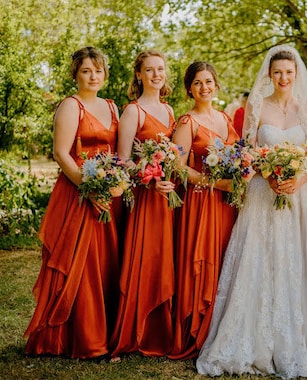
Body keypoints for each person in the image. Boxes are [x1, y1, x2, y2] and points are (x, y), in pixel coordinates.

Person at [196, 45, 307, 379]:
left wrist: (299, 178)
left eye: (289, 73)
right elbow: (249, 152)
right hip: (264, 191)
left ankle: (304, 337)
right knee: (260, 258)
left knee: (299, 259)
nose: (283, 78)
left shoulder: (306, 107)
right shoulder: (257, 107)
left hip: (301, 194)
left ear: (296, 76)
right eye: (277, 72)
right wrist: (267, 174)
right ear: (269, 74)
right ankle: (255, 339)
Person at [24, 47, 121, 358]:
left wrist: (113, 185)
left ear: (105, 74)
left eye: (98, 70)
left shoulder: (112, 106)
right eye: (86, 71)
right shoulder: (70, 106)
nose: (93, 76)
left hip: (107, 194)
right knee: (83, 264)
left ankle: (106, 331)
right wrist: (89, 188)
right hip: (78, 193)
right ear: (76, 75)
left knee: (105, 263)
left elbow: (117, 154)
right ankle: (85, 340)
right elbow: (61, 154)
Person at [169, 61, 239, 359]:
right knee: (205, 261)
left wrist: (237, 177)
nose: (204, 87)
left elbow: (239, 153)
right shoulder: (187, 123)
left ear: (216, 84)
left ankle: (223, 327)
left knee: (227, 258)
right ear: (189, 89)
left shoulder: (225, 118)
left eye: (208, 81)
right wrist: (215, 183)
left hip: (227, 203)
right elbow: (178, 167)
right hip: (202, 201)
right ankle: (197, 329)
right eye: (198, 83)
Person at [111, 50, 176, 359]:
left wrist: (170, 177)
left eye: (160, 69)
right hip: (144, 198)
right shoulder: (132, 112)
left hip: (168, 198)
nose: (155, 75)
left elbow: (176, 156)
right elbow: (122, 161)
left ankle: (162, 330)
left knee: (165, 260)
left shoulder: (171, 110)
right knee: (145, 259)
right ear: (139, 75)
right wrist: (148, 177)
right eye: (149, 70)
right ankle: (136, 331)